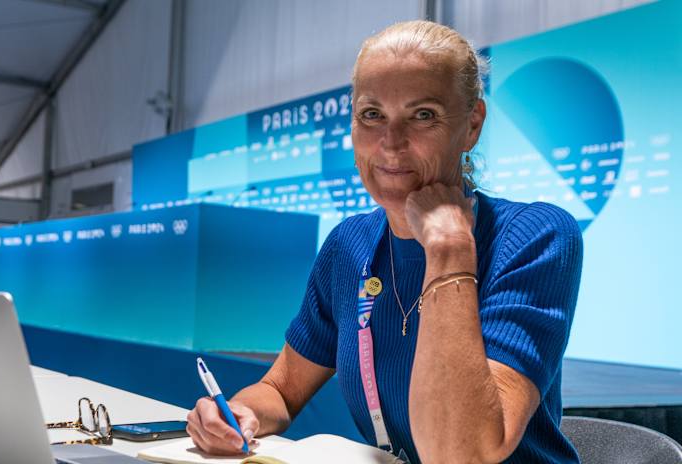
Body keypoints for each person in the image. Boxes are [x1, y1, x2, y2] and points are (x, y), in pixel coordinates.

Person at [187, 20, 582, 464]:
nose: (391, 144)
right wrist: (239, 412)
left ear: (472, 124)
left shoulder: (535, 236)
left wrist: (448, 247)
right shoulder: (348, 245)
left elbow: (461, 454)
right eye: (372, 115)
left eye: (424, 115)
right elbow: (280, 389)